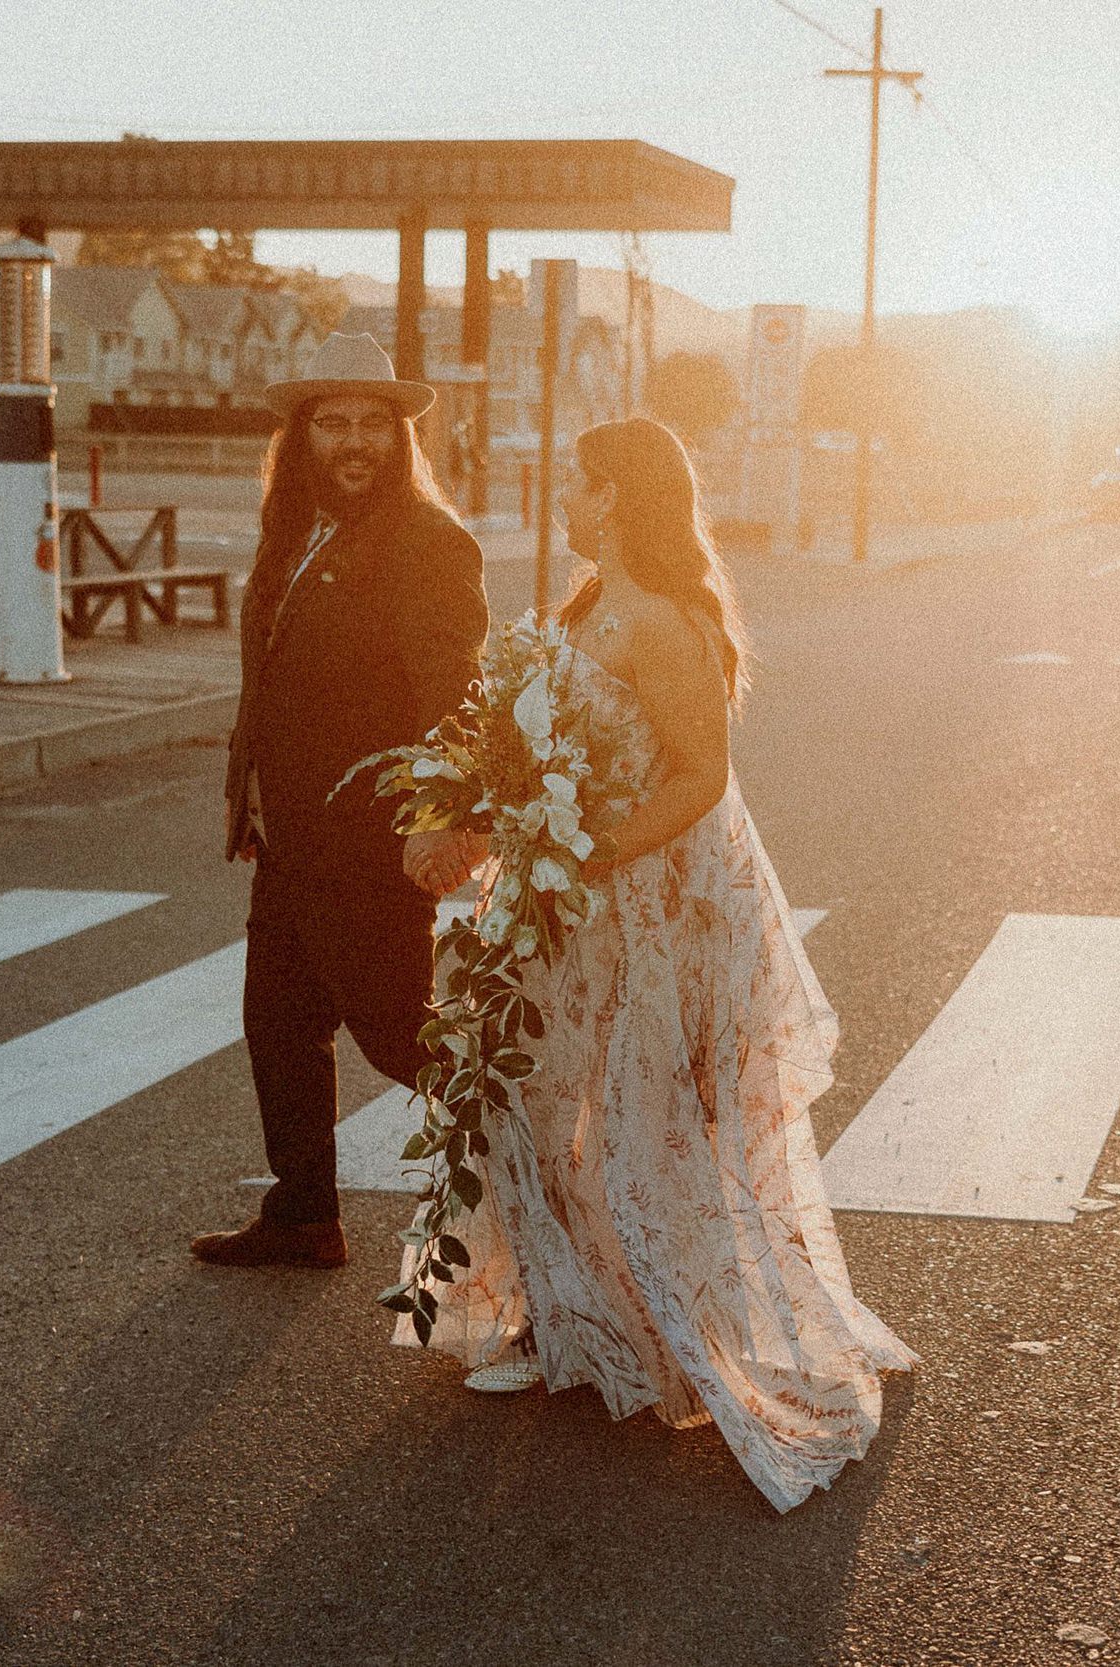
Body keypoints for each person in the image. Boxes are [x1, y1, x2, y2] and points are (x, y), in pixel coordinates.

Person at [402, 416, 915, 1513]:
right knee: (529, 1104)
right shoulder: (584, 606)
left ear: (622, 496)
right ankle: (558, 1312)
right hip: (555, 901)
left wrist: (568, 853)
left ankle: (652, 1321)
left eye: (578, 485)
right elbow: (518, 744)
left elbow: (698, 779)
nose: (563, 502)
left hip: (632, 911)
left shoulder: (668, 623)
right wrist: (467, 821)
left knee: (634, 1115)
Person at [192, 333, 490, 1270]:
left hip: (367, 841)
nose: (356, 441)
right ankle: (304, 1215)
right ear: (300, 434)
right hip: (289, 838)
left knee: (403, 1035)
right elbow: (271, 678)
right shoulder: (291, 532)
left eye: (374, 423)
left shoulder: (428, 542)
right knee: (277, 1024)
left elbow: (457, 690)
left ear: (400, 439)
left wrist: (447, 815)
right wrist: (251, 798)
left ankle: (554, 1182)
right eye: (334, 423)